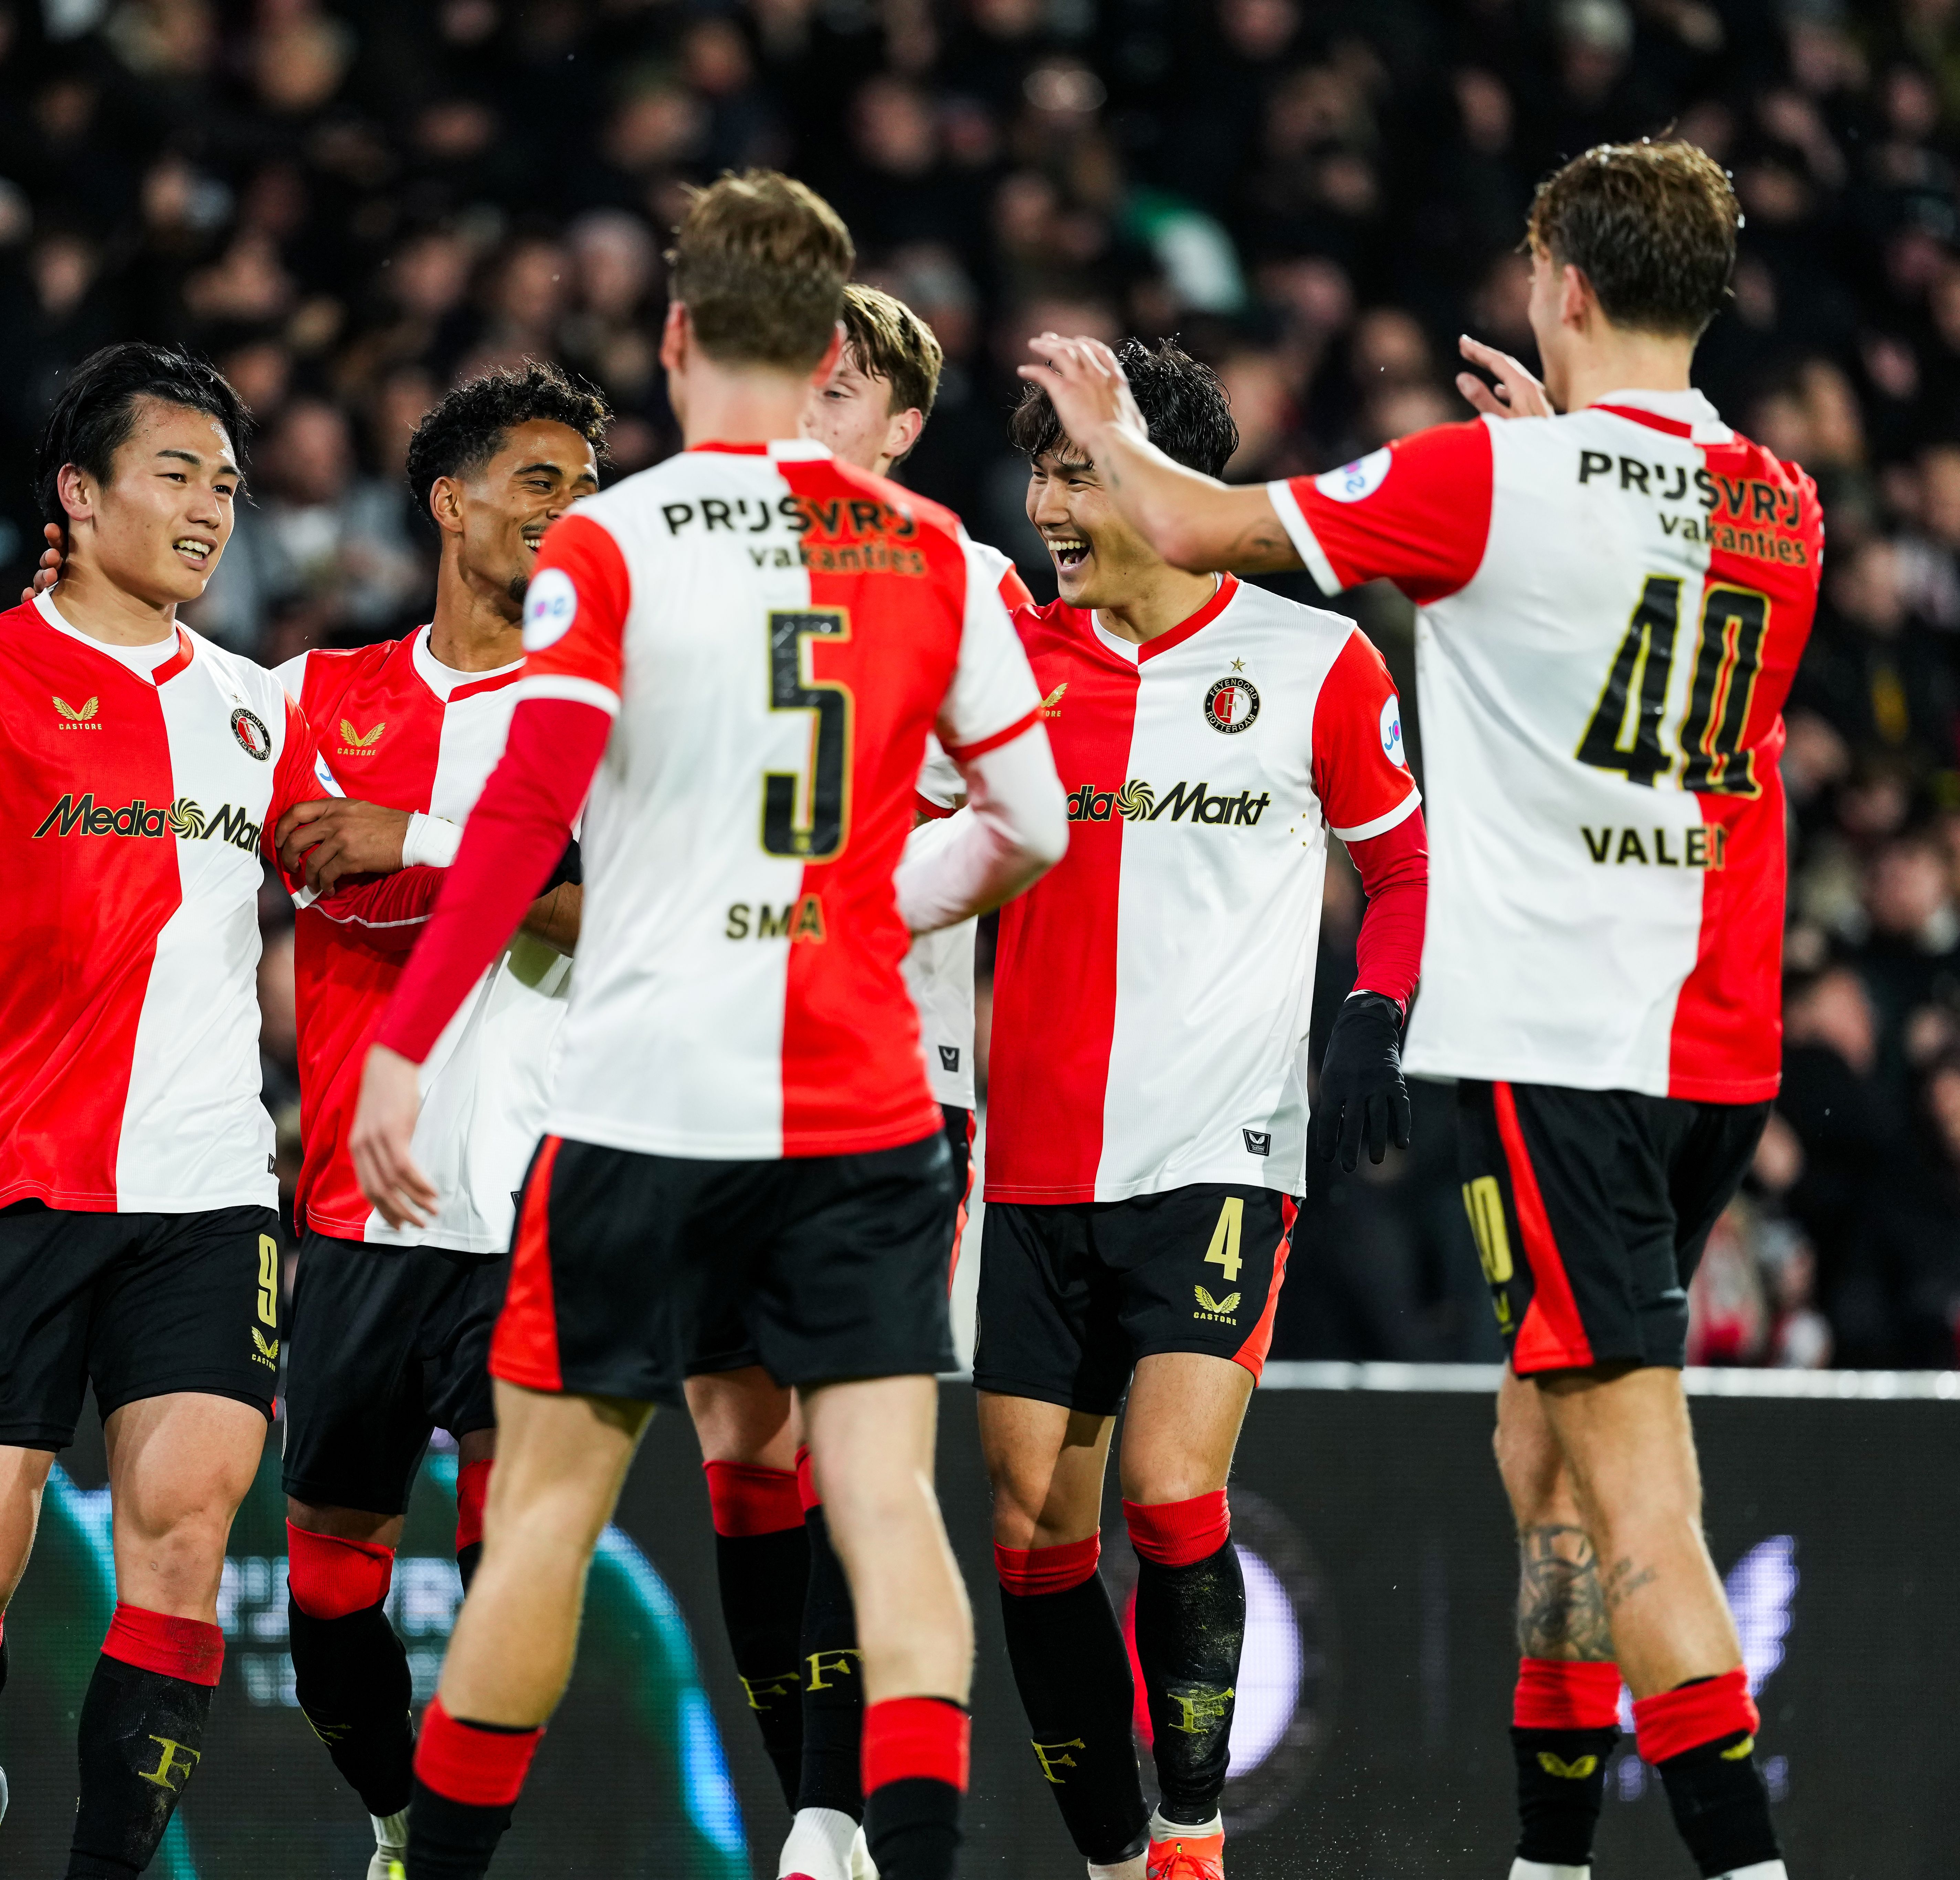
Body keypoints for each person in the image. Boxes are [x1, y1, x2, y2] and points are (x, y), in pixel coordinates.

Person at [1015, 138, 1816, 1880]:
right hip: (1717, 1042)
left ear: (1566, 288)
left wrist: (1110, 423)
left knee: (1636, 1488)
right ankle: (1547, 1860)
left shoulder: (1485, 484)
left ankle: (1741, 1860)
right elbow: (1619, 589)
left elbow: (1194, 528)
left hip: (1563, 1050)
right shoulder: (1779, 502)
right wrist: (1551, 455)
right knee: (1544, 1455)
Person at [347, 170, 1068, 1880]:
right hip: (860, 1102)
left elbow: (527, 810)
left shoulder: (613, 542)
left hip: (642, 1105)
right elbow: (1031, 822)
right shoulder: (937, 558)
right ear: (824, 349)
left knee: (546, 1518)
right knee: (884, 1509)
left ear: (676, 338)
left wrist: (404, 1042)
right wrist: (868, 908)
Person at [0, 339, 432, 1880]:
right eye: (176, 474)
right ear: (79, 496)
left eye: (226, 483)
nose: (212, 508)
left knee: (179, 1541)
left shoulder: (252, 704)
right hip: (16, 1182)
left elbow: (357, 863)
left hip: (209, 1195)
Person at [967, 339, 1426, 1880]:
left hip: (1218, 1150)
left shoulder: (1315, 661)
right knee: (1033, 1531)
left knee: (1170, 1491)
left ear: (1162, 483)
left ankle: (1189, 1839)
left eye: (1077, 471)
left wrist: (1373, 1011)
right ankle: (1113, 1862)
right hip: (1033, 1164)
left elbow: (1402, 865)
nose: (1047, 506)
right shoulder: (1003, 665)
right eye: (1039, 473)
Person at [679, 280, 1033, 1880]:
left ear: (899, 427)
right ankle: (811, 1811)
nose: (810, 406)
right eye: (798, 378)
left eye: (845, 390)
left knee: (854, 1442)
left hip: (894, 1071)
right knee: (740, 1449)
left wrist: (854, 892)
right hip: (709, 1074)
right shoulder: (700, 555)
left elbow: (1017, 813)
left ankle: (836, 1816)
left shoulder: (961, 574)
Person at [270, 361, 604, 1880]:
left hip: (538, 1206)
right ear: (449, 503)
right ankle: (400, 1826)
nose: (568, 509)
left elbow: (605, 914)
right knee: (327, 1597)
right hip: (359, 1207)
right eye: (539, 479)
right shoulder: (317, 697)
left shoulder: (603, 715)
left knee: (508, 1563)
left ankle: (462, 1858)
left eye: (586, 487)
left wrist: (413, 838)